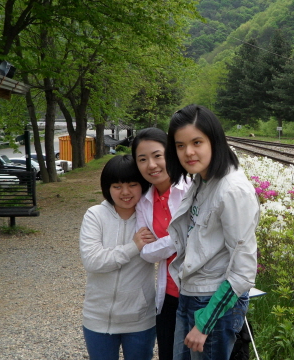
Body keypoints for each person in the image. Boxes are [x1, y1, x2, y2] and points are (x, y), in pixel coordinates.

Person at [165, 104, 260, 360]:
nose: (189, 152)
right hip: (191, 294)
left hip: (212, 304)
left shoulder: (232, 190)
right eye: (180, 145)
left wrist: (205, 322)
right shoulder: (202, 179)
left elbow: (243, 270)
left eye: (197, 142)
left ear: (214, 140)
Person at [79, 155, 156, 360]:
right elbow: (92, 261)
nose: (125, 192)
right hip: (98, 318)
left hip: (140, 319)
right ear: (107, 188)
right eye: (117, 186)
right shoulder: (95, 215)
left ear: (143, 185)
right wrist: (134, 246)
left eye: (132, 185)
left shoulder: (150, 216)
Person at [132, 128, 192, 360]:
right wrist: (179, 238)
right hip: (168, 294)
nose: (152, 165)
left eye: (158, 155)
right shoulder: (145, 201)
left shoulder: (191, 189)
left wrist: (166, 242)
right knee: (168, 354)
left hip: (198, 293)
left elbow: (193, 236)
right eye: (143, 159)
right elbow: (146, 253)